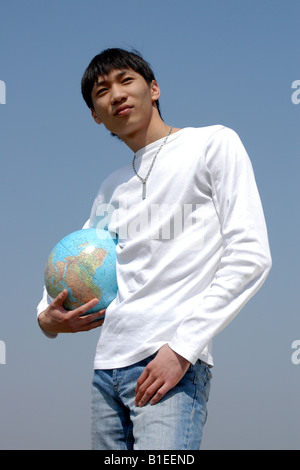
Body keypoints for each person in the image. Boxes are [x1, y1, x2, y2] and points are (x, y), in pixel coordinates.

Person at [37, 48, 272, 450]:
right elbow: (78, 253)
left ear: (155, 88)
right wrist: (46, 319)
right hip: (106, 373)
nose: (116, 94)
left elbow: (251, 255)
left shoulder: (213, 143)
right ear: (96, 115)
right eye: (102, 90)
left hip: (169, 365)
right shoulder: (111, 185)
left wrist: (182, 349)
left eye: (126, 80)